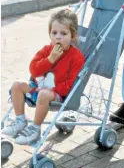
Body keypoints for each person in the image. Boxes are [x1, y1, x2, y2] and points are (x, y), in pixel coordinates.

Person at [2, 9, 85, 145]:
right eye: (54, 33)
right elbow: (34, 70)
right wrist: (50, 59)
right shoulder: (47, 50)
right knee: (17, 85)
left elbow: (69, 85)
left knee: (44, 95)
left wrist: (49, 90)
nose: (58, 37)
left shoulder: (76, 57)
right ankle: (20, 121)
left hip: (56, 93)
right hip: (39, 86)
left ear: (73, 36)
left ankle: (35, 129)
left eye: (63, 33)